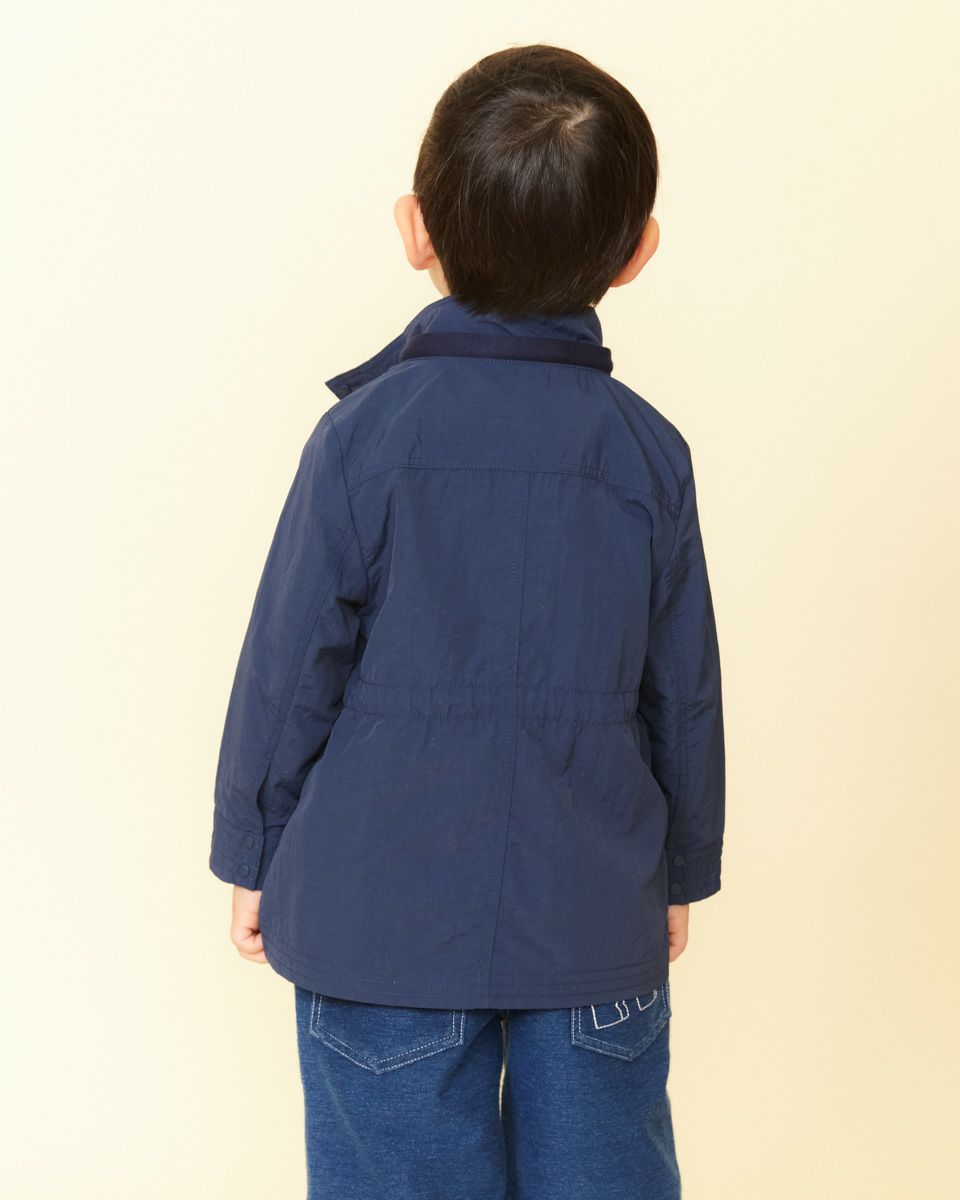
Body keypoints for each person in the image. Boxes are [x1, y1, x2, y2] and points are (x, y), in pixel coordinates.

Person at [209, 42, 725, 1200]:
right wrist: (681, 868)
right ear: (637, 251)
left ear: (415, 229)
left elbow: (289, 668)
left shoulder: (363, 440)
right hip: (592, 911)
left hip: (375, 917)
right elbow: (683, 687)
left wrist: (253, 848)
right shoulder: (649, 455)